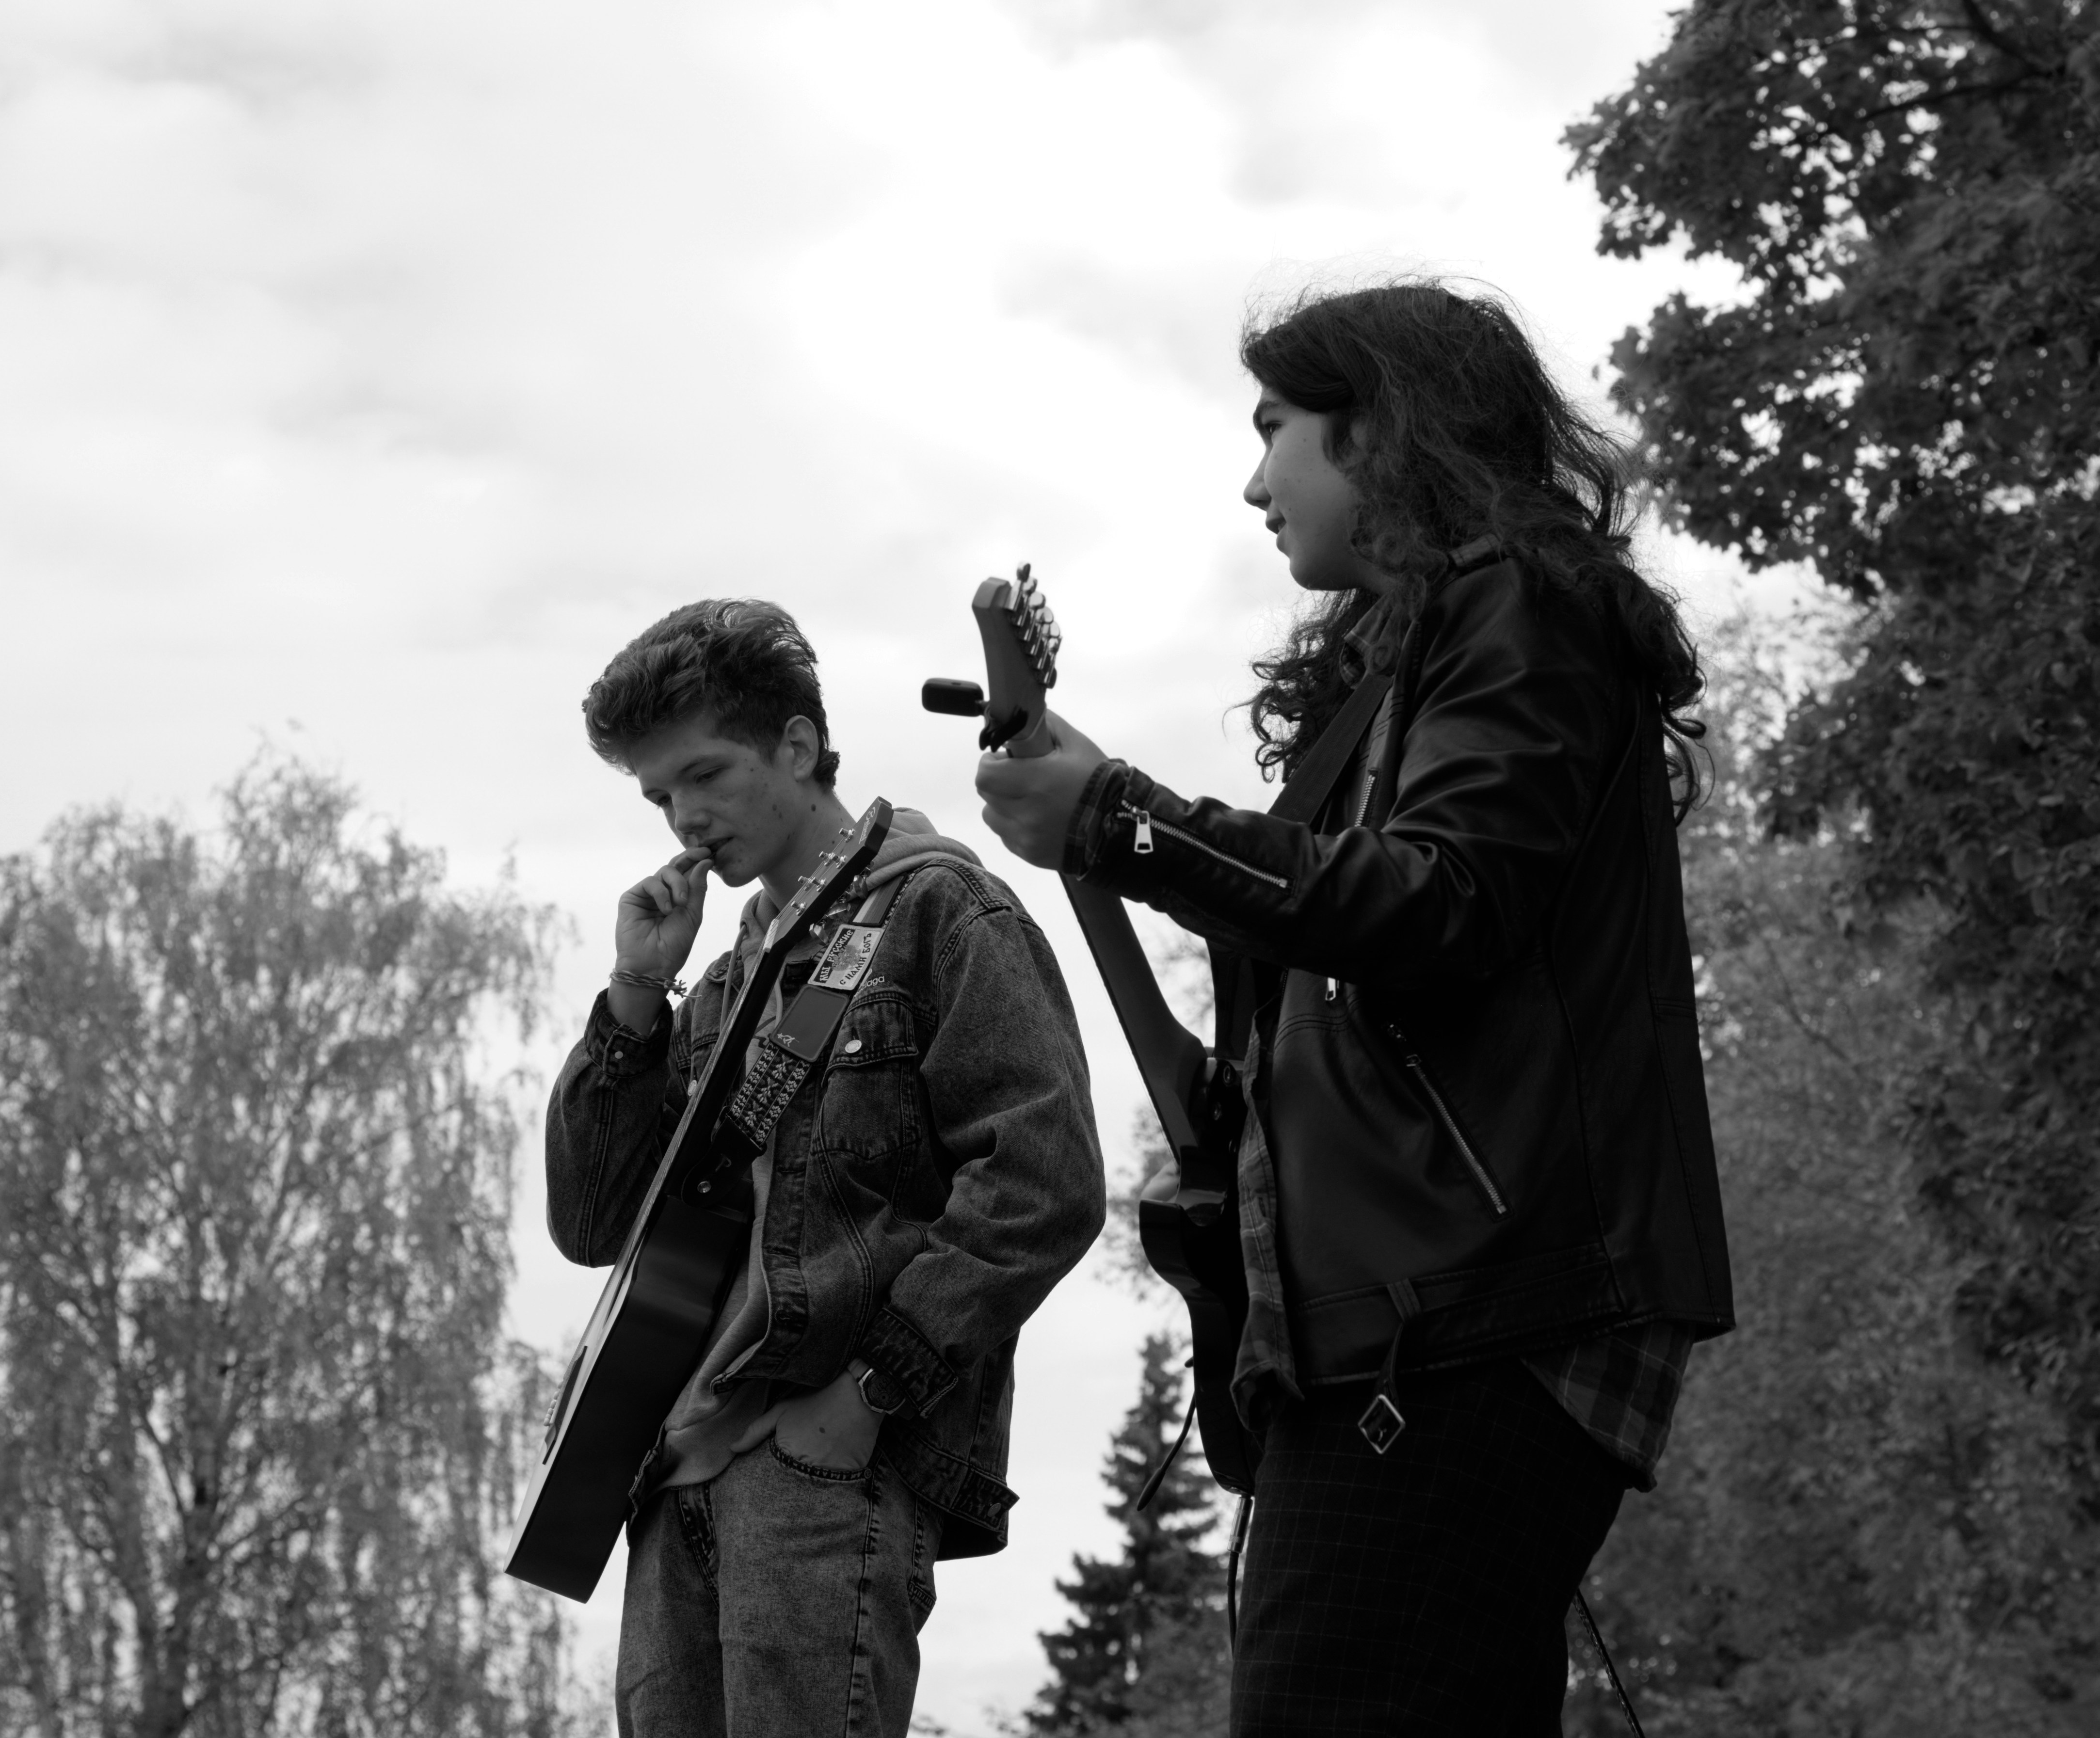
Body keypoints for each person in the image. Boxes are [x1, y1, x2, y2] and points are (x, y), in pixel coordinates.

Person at [976, 281, 1736, 1734]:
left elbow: (1438, 909)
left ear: (1378, 428)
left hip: (1465, 1320)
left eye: (1276, 430)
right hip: (1416, 1320)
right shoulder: (1422, 661)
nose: (1252, 480)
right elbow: (1366, 966)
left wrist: (1122, 822)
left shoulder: (1522, 598)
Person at [549, 598, 1104, 1738]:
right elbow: (593, 1222)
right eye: (658, 795)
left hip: (815, 1473)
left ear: (796, 746)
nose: (684, 817)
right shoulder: (716, 984)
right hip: (672, 1482)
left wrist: (869, 1394)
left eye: (703, 774)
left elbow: (1044, 1181)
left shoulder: (939, 908)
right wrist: (634, 993)